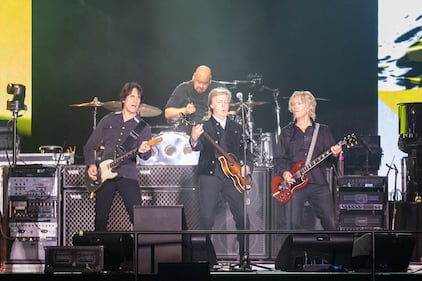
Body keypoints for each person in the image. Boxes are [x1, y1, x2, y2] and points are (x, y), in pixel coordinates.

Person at [190, 87, 254, 263]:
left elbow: (248, 153)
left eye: (226, 102)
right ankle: (208, 260)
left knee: (242, 216)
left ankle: (244, 258)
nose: (224, 105)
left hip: (233, 177)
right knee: (207, 218)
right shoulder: (205, 127)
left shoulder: (237, 127)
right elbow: (197, 147)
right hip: (210, 174)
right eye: (219, 102)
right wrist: (194, 138)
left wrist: (247, 166)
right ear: (211, 105)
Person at [83, 81, 152, 231]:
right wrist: (92, 165)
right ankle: (100, 250)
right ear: (123, 99)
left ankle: (141, 251)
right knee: (100, 219)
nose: (135, 100)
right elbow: (89, 146)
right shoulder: (109, 120)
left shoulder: (143, 127)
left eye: (138, 97)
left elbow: (146, 156)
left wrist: (145, 149)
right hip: (104, 175)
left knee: (137, 217)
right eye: (132, 96)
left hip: (128, 174)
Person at [272, 90, 342, 230]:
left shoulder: (322, 131)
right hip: (295, 186)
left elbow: (330, 161)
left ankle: (333, 251)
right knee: (292, 224)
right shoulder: (286, 133)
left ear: (310, 107)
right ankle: (294, 252)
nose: (295, 107)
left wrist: (335, 154)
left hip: (318, 183)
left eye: (299, 103)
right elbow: (278, 159)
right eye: (293, 104)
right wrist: (285, 172)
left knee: (331, 223)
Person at [165, 65, 225, 132]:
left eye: (205, 83)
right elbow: (168, 113)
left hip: (212, 130)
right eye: (199, 82)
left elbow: (231, 112)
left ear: (210, 80)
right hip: (188, 129)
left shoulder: (219, 89)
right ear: (193, 77)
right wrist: (185, 110)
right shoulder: (183, 88)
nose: (201, 86)